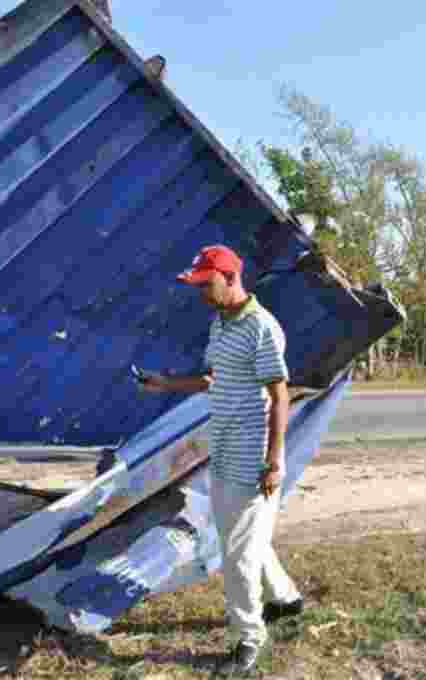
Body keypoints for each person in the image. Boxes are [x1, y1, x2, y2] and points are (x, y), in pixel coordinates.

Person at [138, 244, 304, 676]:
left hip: (254, 457)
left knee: (238, 556)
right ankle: (285, 598)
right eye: (197, 286)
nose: (201, 294)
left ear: (230, 278)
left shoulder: (262, 328)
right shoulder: (220, 325)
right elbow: (213, 378)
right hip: (225, 446)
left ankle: (249, 638)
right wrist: (165, 384)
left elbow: (279, 394)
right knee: (241, 537)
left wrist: (273, 461)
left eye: (205, 284)